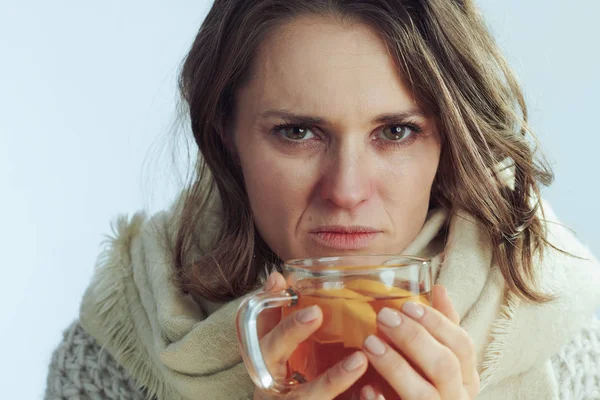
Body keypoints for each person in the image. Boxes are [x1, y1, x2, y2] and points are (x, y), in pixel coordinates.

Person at [45, 0, 600, 399]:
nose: (347, 190)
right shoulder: (115, 359)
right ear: (224, 135)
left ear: (450, 139)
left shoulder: (566, 334)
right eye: (297, 133)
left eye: (397, 132)